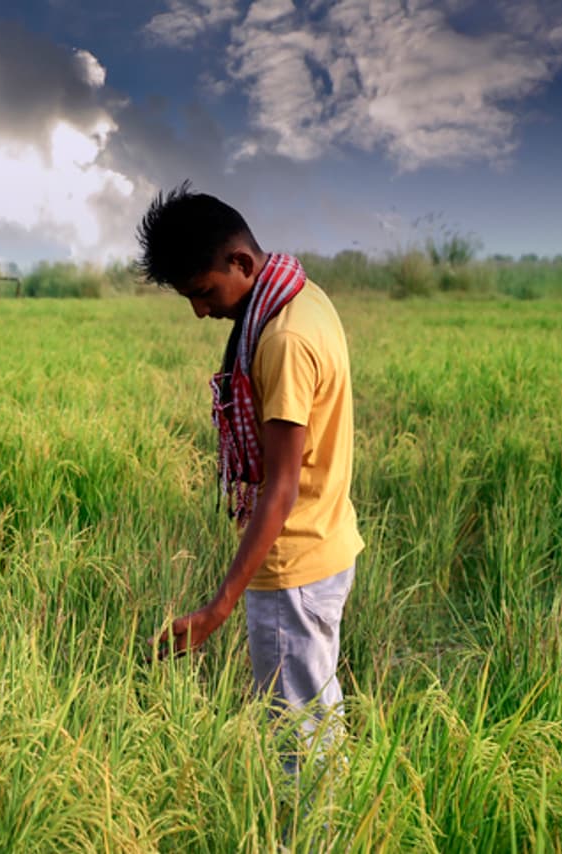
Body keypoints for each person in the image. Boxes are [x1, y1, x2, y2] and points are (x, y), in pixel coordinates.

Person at [139, 183, 363, 772]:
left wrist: (216, 610)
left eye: (205, 291)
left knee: (301, 744)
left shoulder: (284, 340)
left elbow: (280, 487)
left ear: (240, 262)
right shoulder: (301, 294)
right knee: (316, 717)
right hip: (325, 542)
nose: (201, 310)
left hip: (294, 567)